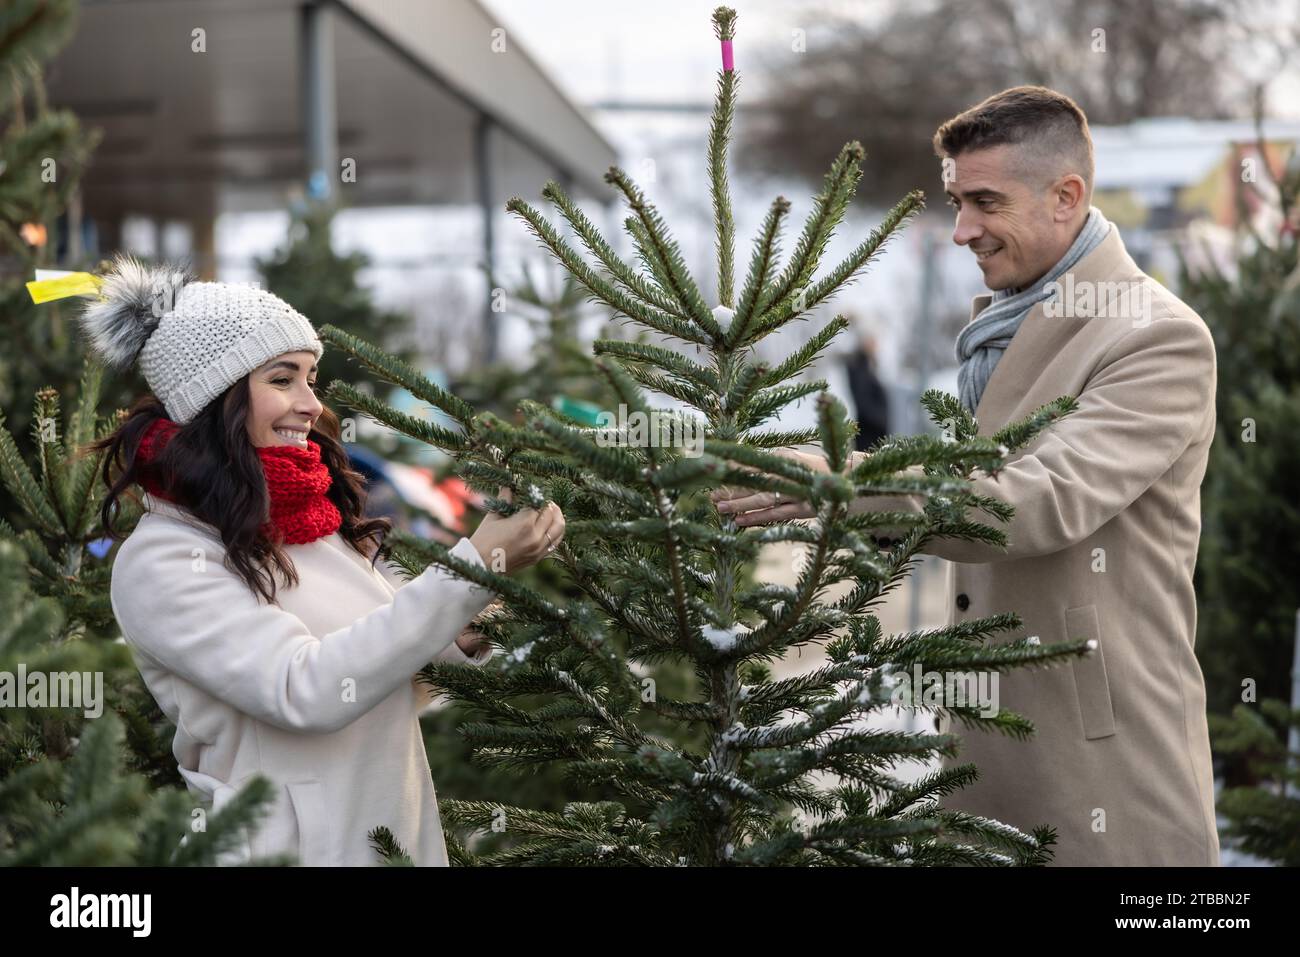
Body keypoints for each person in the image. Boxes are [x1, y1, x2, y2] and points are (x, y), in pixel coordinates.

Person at [712, 86, 1219, 866]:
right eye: (956, 201)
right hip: (987, 754)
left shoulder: (1156, 339)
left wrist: (844, 483)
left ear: (1066, 196)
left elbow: (1033, 500)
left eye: (985, 202)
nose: (961, 230)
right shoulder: (1005, 325)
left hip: (1101, 769)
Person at [79, 252, 565, 866]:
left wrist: (469, 620)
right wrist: (472, 567)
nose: (311, 404)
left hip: (393, 844)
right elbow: (306, 690)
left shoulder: (314, 522)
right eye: (282, 379)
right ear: (213, 398)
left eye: (310, 378)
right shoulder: (164, 558)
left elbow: (389, 671)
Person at [843, 330, 890, 451]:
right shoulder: (858, 367)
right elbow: (862, 402)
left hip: (874, 432)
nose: (876, 345)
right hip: (868, 433)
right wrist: (881, 420)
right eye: (872, 340)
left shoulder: (869, 365)